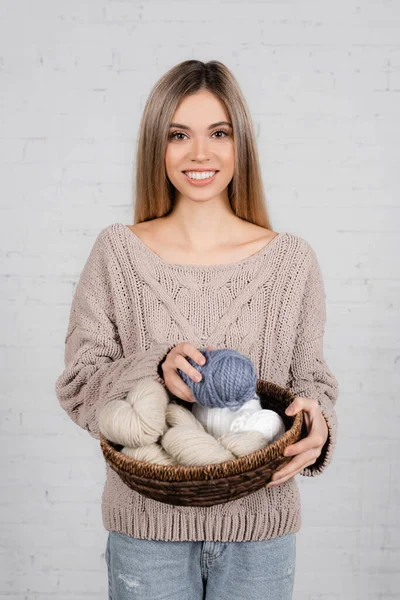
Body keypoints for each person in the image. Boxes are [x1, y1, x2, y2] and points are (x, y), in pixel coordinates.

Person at [55, 60, 338, 600]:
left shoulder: (292, 262)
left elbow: (311, 379)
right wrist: (153, 366)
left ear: (241, 145)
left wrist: (318, 422)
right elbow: (78, 388)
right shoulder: (118, 253)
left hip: (262, 531)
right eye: (178, 134)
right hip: (146, 531)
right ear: (156, 147)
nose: (200, 153)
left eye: (219, 133)